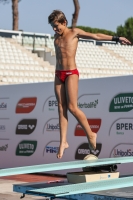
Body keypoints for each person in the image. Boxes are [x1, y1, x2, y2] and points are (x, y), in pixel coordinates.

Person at [48, 10, 131, 159]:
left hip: (71, 73)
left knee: (72, 107)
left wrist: (117, 38)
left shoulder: (74, 33)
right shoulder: (56, 38)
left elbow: (96, 36)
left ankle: (91, 134)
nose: (55, 29)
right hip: (58, 74)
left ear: (64, 23)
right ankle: (63, 142)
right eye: (53, 27)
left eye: (56, 26)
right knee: (61, 108)